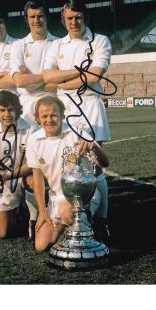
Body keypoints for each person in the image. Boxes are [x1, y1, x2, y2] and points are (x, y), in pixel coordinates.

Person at [42, 0, 112, 241]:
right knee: (71, 164)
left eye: (78, 17)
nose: (74, 22)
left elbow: (94, 77)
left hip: (90, 106)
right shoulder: (56, 45)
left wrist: (62, 81)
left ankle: (101, 220)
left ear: (85, 17)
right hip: (65, 108)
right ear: (63, 19)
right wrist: (78, 75)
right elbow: (47, 78)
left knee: (95, 167)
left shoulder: (100, 40)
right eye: (69, 18)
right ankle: (78, 217)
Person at [26, 96, 109, 252]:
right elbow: (37, 179)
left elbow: (104, 163)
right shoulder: (33, 140)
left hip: (83, 196)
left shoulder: (76, 132)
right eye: (44, 116)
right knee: (41, 245)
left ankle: (87, 228)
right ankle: (73, 229)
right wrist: (42, 212)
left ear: (62, 115)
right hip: (56, 198)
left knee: (67, 214)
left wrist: (93, 147)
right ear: (38, 119)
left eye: (53, 115)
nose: (49, 120)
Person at [9, 0, 58, 237]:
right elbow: (19, 81)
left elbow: (56, 82)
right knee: (28, 170)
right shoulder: (18, 46)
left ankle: (56, 213)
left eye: (40, 16)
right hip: (26, 115)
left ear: (46, 17)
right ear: (26, 20)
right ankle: (33, 216)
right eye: (32, 17)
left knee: (55, 167)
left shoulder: (58, 44)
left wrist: (33, 78)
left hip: (51, 113)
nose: (36, 20)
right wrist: (46, 78)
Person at [0, 90, 35, 239]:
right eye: (2, 110)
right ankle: (16, 213)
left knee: (34, 180)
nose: (7, 114)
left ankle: (33, 218)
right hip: (1, 182)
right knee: (1, 233)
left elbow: (32, 164)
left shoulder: (30, 129)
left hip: (21, 177)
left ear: (17, 110)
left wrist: (10, 175)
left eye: (10, 110)